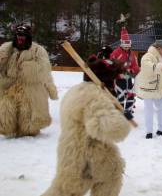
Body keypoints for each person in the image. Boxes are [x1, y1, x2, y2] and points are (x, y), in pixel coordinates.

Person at [41, 55, 131, 196]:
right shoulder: (96, 95)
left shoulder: (75, 91)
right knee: (108, 176)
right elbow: (111, 128)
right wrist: (122, 118)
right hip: (87, 158)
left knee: (63, 189)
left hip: (69, 152)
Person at [0, 24, 58, 137]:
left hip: (31, 90)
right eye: (18, 35)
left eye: (23, 36)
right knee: (7, 111)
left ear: (28, 37)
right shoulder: (7, 50)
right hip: (9, 87)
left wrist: (51, 90)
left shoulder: (38, 51)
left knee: (28, 116)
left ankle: (28, 131)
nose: (20, 38)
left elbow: (45, 72)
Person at [110, 26, 140, 121]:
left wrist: (132, 70)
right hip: (119, 79)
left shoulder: (132, 54)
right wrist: (119, 72)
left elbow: (136, 66)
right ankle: (119, 113)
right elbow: (111, 65)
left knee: (131, 95)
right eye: (125, 46)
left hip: (128, 79)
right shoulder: (116, 53)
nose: (127, 47)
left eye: (128, 46)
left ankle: (128, 111)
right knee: (120, 96)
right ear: (122, 44)